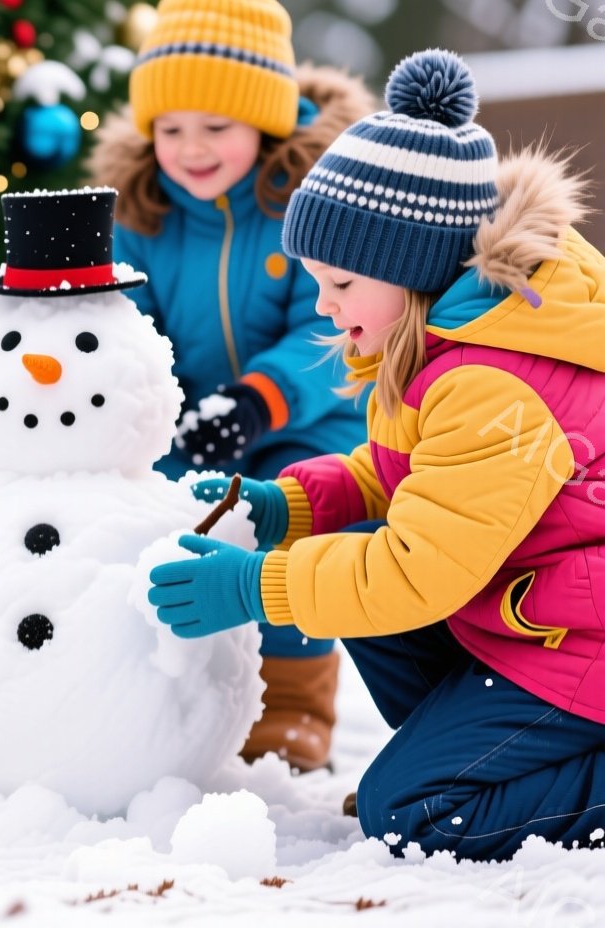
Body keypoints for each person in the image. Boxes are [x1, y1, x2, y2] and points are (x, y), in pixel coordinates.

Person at [148, 49, 604, 860]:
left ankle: (469, 781)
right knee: (353, 551)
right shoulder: (439, 341)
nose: (323, 306)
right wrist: (290, 503)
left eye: (342, 283)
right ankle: (467, 759)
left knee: (411, 813)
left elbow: (416, 572)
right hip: (531, 615)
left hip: (580, 645)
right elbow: (410, 481)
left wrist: (255, 588)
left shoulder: (494, 383)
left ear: (412, 268)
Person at [88, 0, 375, 770]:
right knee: (160, 519)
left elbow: (333, 329)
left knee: (291, 516)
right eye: (171, 128)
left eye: (217, 127)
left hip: (308, 419)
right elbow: (128, 321)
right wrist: (149, 404)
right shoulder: (142, 214)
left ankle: (291, 704)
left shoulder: (308, 204)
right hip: (189, 424)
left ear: (267, 122)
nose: (191, 149)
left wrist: (257, 399)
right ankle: (163, 696)